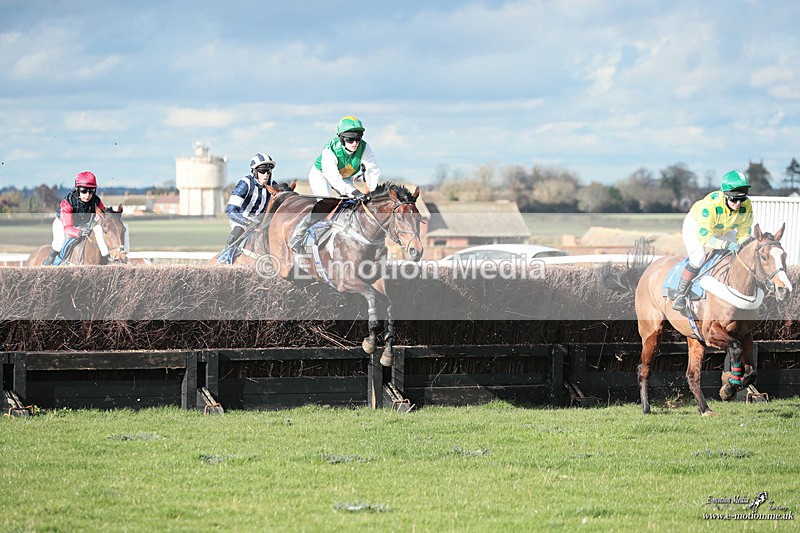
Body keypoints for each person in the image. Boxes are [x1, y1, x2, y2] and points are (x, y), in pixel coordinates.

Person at [290, 116, 381, 253]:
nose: (355, 143)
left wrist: (373, 193)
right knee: (325, 204)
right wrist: (353, 191)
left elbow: (372, 170)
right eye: (350, 139)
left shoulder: (365, 147)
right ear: (341, 138)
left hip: (345, 177)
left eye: (358, 138)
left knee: (353, 204)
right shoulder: (330, 149)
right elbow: (334, 178)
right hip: (322, 175)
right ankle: (298, 235)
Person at [672, 170, 754, 314]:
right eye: (734, 199)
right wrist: (726, 245)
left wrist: (743, 244)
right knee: (698, 257)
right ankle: (680, 294)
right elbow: (705, 237)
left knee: (744, 253)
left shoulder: (746, 205)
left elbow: (744, 234)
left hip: (723, 228)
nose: (739, 203)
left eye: (742, 199)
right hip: (697, 226)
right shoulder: (710, 205)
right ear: (725, 195)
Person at [43, 171, 109, 265]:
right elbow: (68, 227)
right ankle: (48, 264)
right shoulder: (68, 201)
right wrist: (79, 232)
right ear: (77, 189)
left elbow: (102, 218)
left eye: (91, 191)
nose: (87, 195)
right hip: (63, 224)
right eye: (83, 190)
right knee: (59, 243)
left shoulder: (96, 201)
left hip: (82, 224)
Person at [224, 152, 276, 247]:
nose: (266, 175)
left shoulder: (272, 185)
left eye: (268, 171)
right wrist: (248, 222)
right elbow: (230, 210)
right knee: (237, 232)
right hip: (241, 219)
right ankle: (225, 256)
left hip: (260, 220)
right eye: (262, 171)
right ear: (255, 172)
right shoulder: (245, 184)